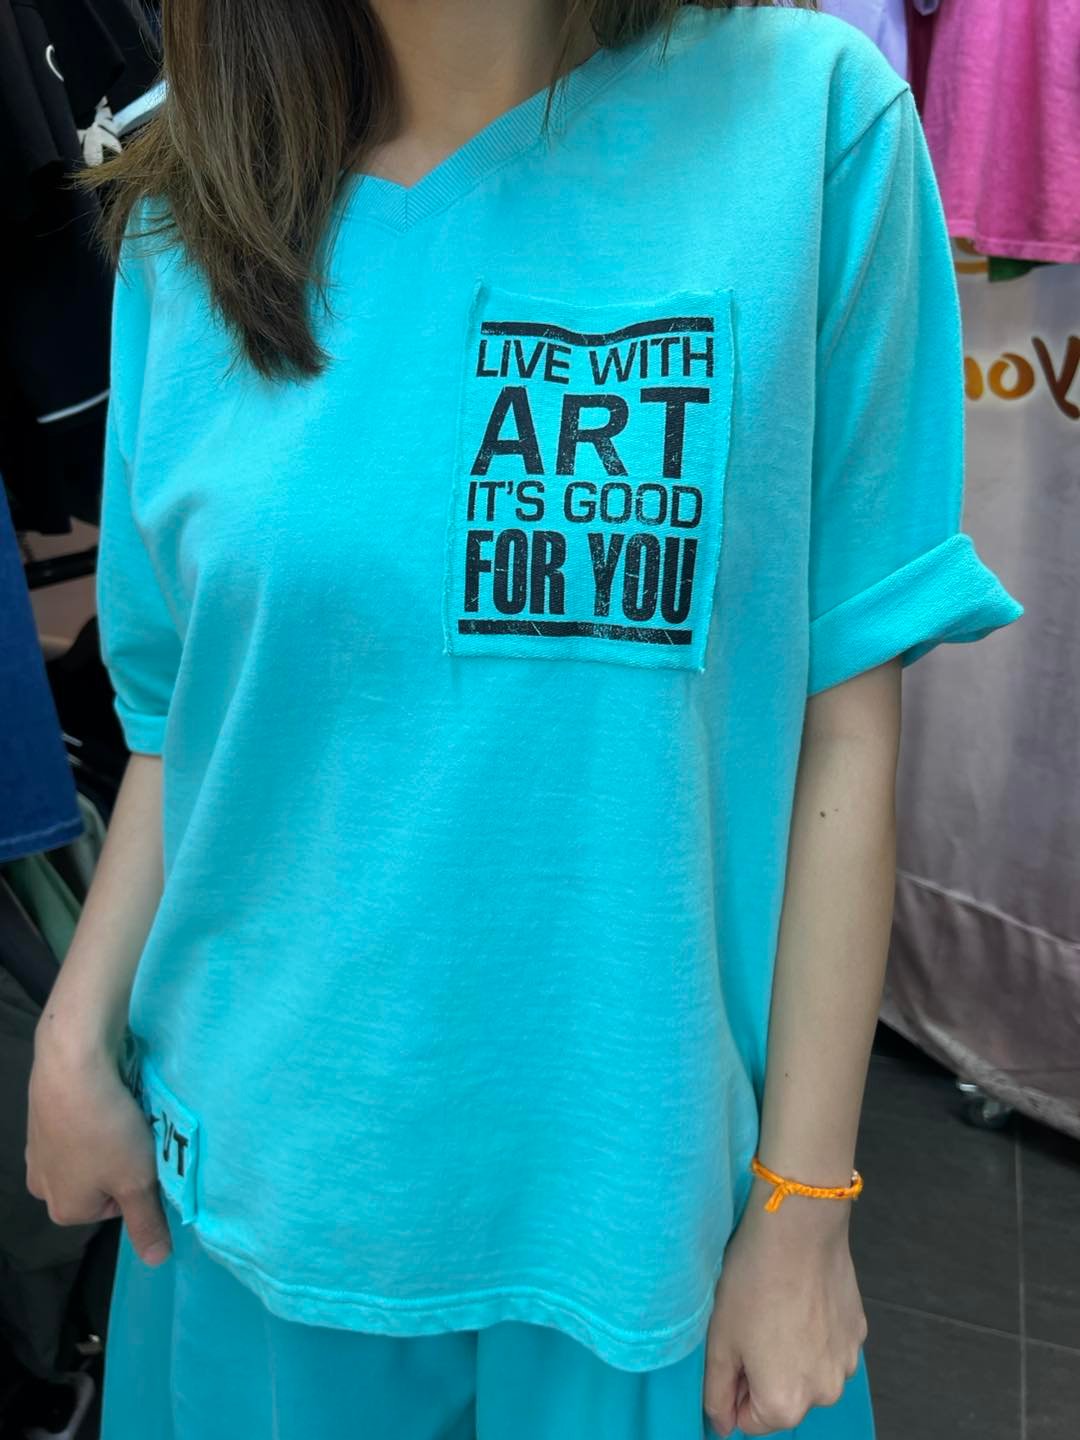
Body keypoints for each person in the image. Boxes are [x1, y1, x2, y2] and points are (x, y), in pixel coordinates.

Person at [25, 1, 1024, 1437]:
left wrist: (806, 1206)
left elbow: (845, 724)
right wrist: (74, 1030)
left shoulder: (813, 128)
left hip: (658, 1243)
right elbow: (186, 724)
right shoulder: (193, 208)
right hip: (259, 1214)